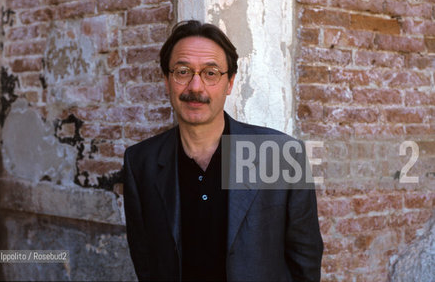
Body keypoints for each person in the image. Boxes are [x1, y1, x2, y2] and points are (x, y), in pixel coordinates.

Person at [122, 20, 323, 281]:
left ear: (229, 83)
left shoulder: (280, 155)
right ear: (166, 81)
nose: (195, 87)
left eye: (210, 73)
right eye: (183, 71)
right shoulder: (141, 162)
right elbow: (146, 260)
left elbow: (305, 258)